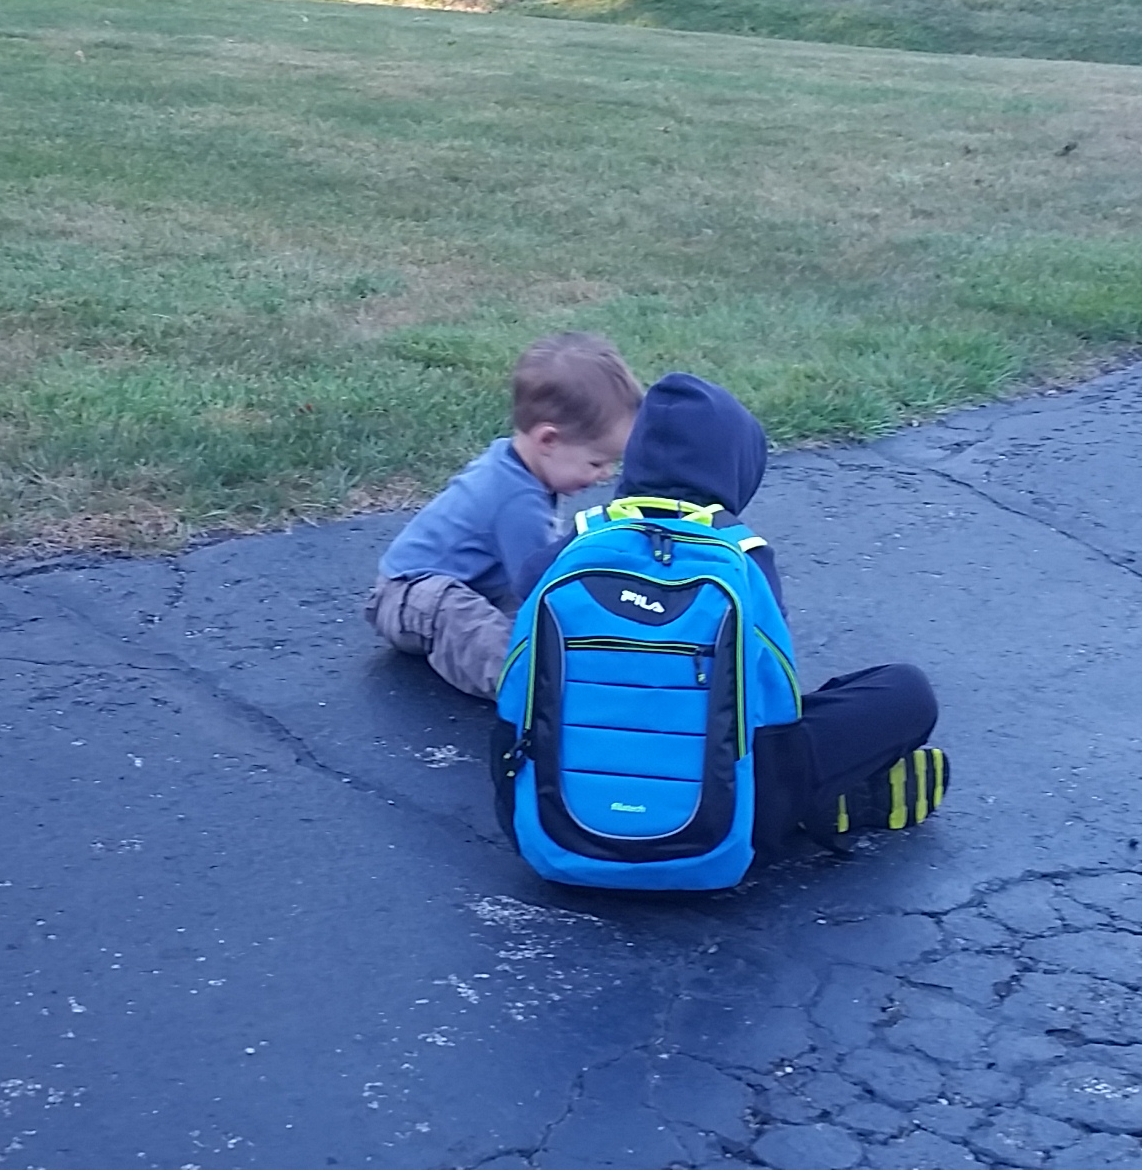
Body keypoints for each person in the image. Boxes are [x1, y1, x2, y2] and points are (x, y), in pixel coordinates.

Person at [614, 370, 946, 850]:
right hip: (718, 814)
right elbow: (774, 705)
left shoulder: (577, 546)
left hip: (559, 813)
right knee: (907, 691)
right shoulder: (742, 556)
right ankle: (818, 800)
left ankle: (811, 801)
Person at [366, 332, 644, 697]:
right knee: (493, 636)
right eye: (596, 462)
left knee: (518, 619)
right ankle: (531, 688)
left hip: (464, 587)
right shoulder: (518, 501)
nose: (606, 475)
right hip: (411, 597)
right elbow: (541, 586)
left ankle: (552, 666)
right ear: (548, 441)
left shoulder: (515, 463)